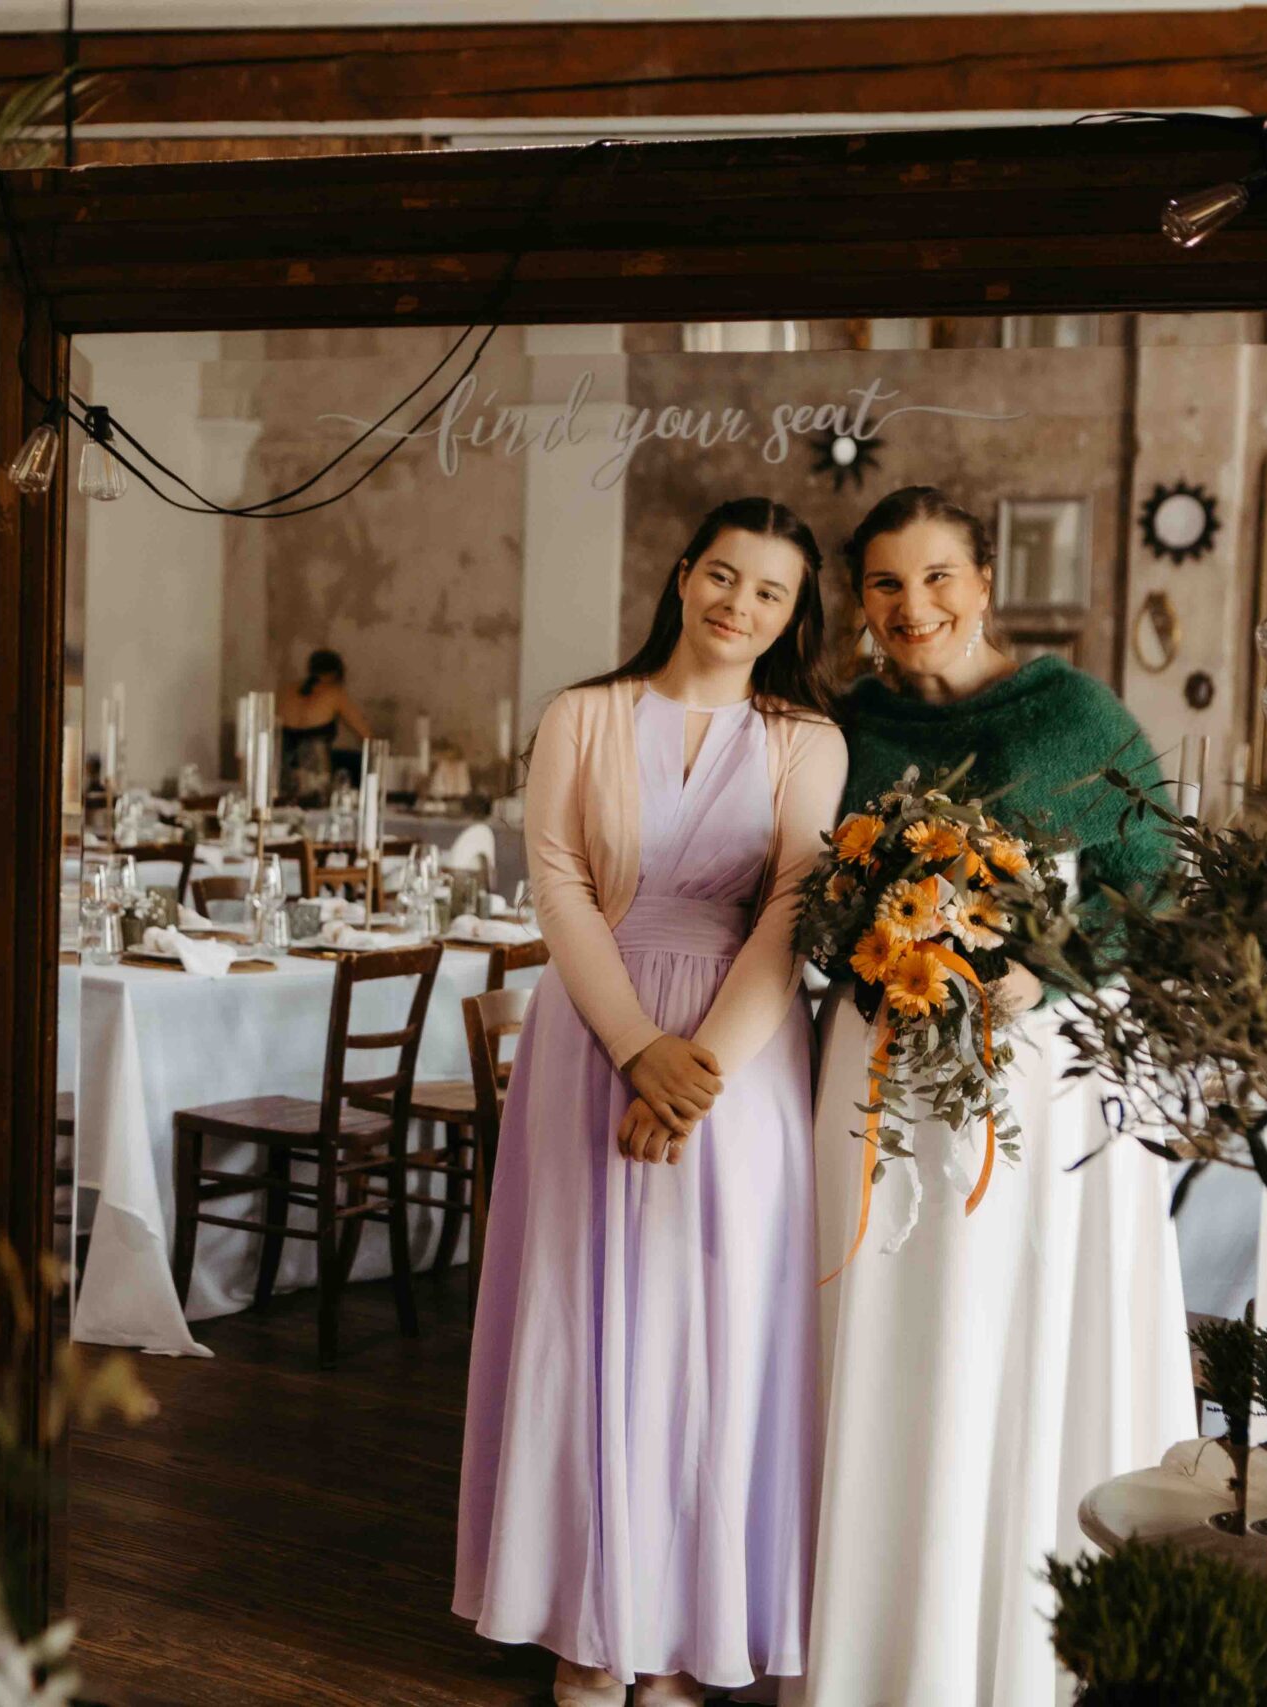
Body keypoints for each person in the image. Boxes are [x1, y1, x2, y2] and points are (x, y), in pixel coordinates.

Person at [796, 486, 1196, 1707]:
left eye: (935, 577)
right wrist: (861, 941)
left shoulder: (1075, 715)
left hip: (1033, 1072)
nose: (910, 605)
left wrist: (1054, 964)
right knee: (890, 1330)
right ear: (859, 601)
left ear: (983, 581)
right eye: (884, 583)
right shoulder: (842, 729)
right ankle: (874, 1641)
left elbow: (1154, 882)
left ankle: (1024, 1643)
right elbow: (810, 891)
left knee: (1007, 1323)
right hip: (880, 1066)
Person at [456, 497, 848, 1707]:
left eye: (770, 591)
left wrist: (693, 1078)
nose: (739, 605)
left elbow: (791, 912)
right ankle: (585, 1631)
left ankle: (681, 1637)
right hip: (592, 1032)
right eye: (722, 575)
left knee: (713, 1330)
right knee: (576, 1322)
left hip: (742, 1049)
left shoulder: (807, 739)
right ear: (682, 576)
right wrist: (636, 1050)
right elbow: (559, 888)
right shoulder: (580, 714)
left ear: (792, 615)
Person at [277, 647, 372, 791]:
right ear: (335, 674)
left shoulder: (286, 691)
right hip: (316, 780)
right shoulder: (335, 694)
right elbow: (367, 736)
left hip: (281, 775)